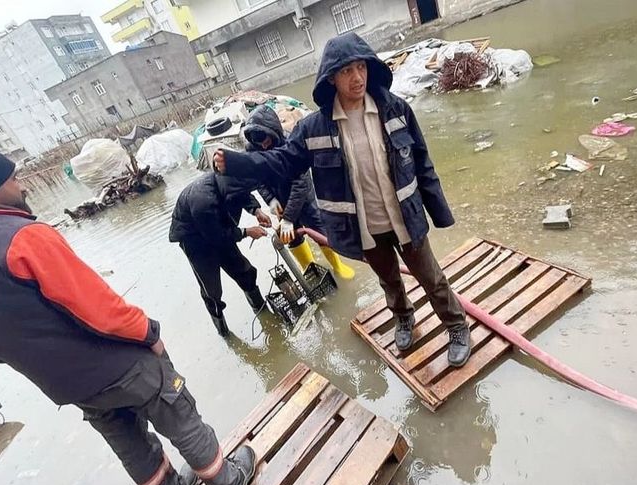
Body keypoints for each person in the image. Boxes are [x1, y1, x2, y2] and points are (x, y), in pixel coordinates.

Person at [0, 145, 256, 485]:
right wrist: (149, 332)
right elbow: (97, 306)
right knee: (179, 414)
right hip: (120, 363)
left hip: (67, 385)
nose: (22, 186)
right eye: (13, 179)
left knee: (128, 441)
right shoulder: (22, 238)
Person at [214, 33, 471, 367]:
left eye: (361, 67)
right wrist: (237, 162)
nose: (357, 77)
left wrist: (439, 212)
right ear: (331, 78)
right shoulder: (313, 128)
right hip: (365, 226)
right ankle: (404, 318)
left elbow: (422, 162)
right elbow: (282, 162)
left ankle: (456, 327)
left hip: (405, 218)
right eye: (347, 71)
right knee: (389, 279)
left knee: (431, 277)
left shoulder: (395, 109)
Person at [242, 105, 355, 280]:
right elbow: (259, 180)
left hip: (304, 199)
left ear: (274, 132)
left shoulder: (292, 144)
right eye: (259, 142)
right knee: (291, 237)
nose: (264, 145)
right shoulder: (253, 150)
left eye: (266, 140)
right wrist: (272, 201)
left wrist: (288, 217)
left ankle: (337, 265)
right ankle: (310, 270)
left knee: (320, 230)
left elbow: (300, 185)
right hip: (279, 199)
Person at [168, 169, 271, 337]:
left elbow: (243, 194)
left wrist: (257, 211)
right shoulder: (203, 201)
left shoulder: (231, 178)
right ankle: (224, 332)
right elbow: (216, 236)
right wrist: (246, 232)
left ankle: (263, 312)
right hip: (195, 240)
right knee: (212, 290)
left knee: (246, 271)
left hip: (218, 229)